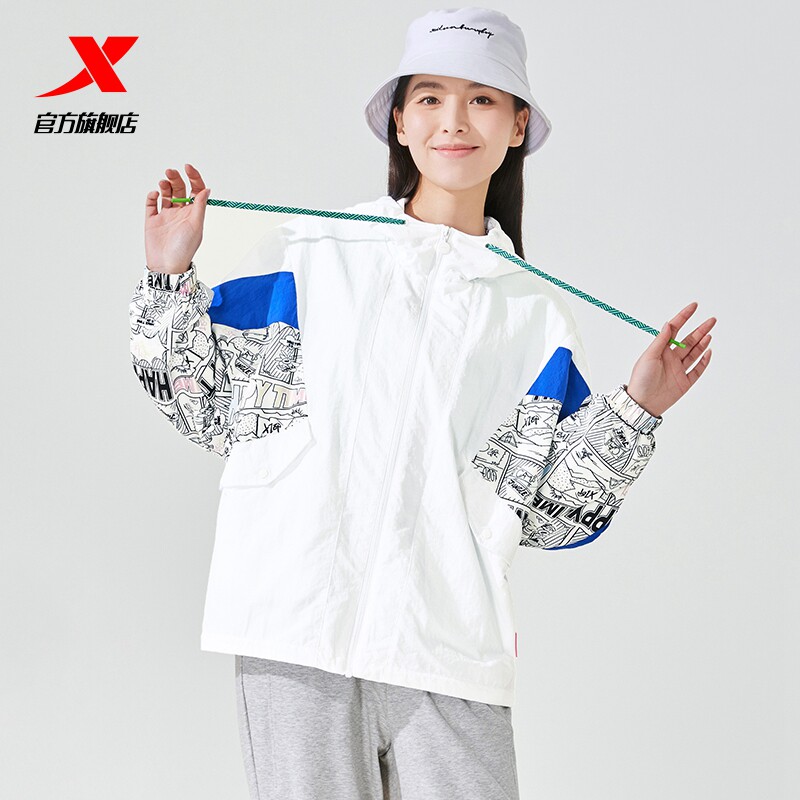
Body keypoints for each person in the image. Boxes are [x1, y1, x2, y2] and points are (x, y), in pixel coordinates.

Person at [129, 7, 715, 799]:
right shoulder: (309, 253)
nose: (454, 121)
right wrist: (169, 277)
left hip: (447, 646)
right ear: (400, 122)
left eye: (483, 99)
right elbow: (208, 407)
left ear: (517, 126)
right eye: (431, 97)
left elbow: (545, 513)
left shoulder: (535, 314)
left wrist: (640, 406)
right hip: (293, 624)